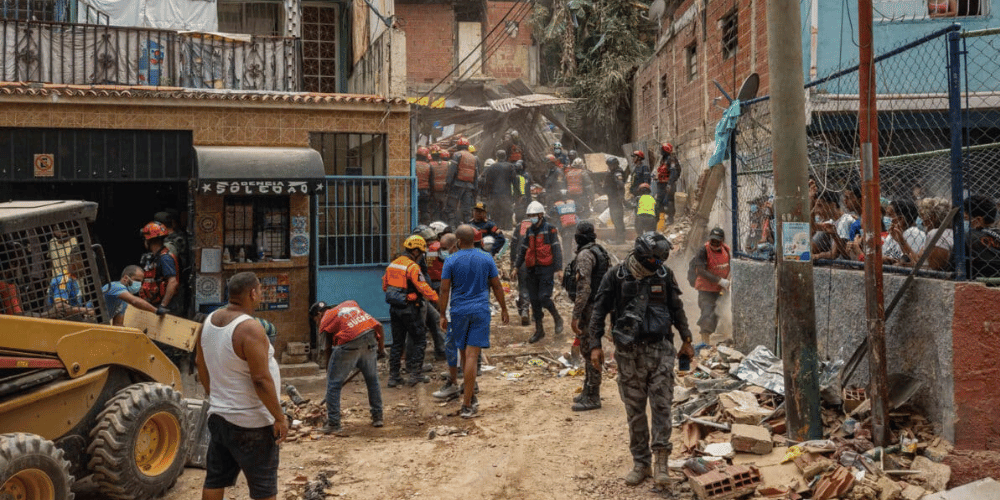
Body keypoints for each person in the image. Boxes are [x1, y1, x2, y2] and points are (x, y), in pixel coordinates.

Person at [588, 232, 694, 489]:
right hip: (628, 354)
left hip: (660, 351)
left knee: (662, 408)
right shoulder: (616, 276)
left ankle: (661, 464)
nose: (660, 264)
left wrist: (687, 339)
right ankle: (641, 462)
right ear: (643, 255)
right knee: (635, 412)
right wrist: (594, 346)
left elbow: (676, 308)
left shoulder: (664, 275)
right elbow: (598, 311)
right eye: (656, 259)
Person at [195, 272, 286, 500]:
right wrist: (279, 417)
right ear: (252, 293)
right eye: (261, 290)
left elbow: (200, 363)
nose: (261, 295)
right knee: (264, 488)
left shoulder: (208, 321)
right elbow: (260, 379)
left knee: (215, 479)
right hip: (251, 423)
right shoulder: (250, 328)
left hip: (219, 417)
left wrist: (214, 395)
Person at [433, 225, 509, 417]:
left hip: (458, 312)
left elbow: (444, 290)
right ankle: (467, 403)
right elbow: (497, 285)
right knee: (473, 356)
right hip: (480, 311)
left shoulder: (450, 260)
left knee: (464, 355)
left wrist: (442, 314)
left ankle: (468, 398)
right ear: (475, 240)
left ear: (458, 241)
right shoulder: (486, 258)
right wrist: (504, 308)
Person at [310, 300, 385, 433]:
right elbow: (379, 326)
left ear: (319, 314)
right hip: (370, 338)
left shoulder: (325, 319)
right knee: (372, 379)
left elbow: (328, 348)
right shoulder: (351, 304)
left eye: (315, 320)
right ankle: (378, 417)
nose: (317, 323)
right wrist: (381, 349)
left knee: (334, 384)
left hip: (350, 342)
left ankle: (333, 423)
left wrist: (330, 374)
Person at [382, 235, 439, 387]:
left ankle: (394, 377)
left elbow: (385, 286)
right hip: (410, 309)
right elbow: (423, 287)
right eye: (421, 252)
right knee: (420, 340)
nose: (422, 256)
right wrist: (438, 299)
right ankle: (415, 375)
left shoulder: (393, 264)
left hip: (395, 309)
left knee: (397, 343)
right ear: (415, 251)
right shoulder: (413, 267)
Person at [566, 222, 610, 412]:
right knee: (588, 348)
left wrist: (576, 315)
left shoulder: (585, 255)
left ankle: (593, 396)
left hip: (590, 308)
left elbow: (584, 288)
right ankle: (588, 390)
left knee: (591, 348)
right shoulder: (599, 251)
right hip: (597, 305)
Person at [514, 201, 564, 344]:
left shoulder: (550, 229)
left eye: (534, 215)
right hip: (532, 270)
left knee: (544, 297)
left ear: (541, 215)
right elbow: (523, 250)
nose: (532, 218)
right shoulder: (529, 231)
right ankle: (539, 331)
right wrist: (516, 267)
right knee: (534, 301)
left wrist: (559, 269)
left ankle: (557, 318)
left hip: (546, 269)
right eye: (530, 216)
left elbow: (556, 250)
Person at [692, 228, 731, 346]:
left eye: (717, 242)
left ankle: (724, 337)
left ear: (722, 241)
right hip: (706, 289)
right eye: (712, 241)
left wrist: (728, 280)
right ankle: (705, 343)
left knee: (719, 312)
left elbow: (730, 265)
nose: (714, 244)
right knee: (707, 313)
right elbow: (701, 271)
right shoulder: (703, 250)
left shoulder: (726, 250)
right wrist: (719, 281)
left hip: (721, 289)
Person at [138, 221, 180, 315]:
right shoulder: (154, 257)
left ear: (149, 241)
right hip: (154, 303)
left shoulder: (165, 258)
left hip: (165, 307)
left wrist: (163, 305)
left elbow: (173, 282)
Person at [905, 197, 953, 271]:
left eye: (922, 216)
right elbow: (921, 261)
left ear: (932, 217)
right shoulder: (950, 232)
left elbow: (935, 268)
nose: (921, 221)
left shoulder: (935, 234)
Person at [964, 194, 1000, 279]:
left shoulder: (968, 238)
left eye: (965, 218)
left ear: (978, 220)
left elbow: (953, 267)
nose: (964, 222)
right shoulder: (997, 233)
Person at [446, 138, 479, 227]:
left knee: (451, 208)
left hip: (457, 185)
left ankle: (452, 228)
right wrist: (475, 188)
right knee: (466, 210)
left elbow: (451, 171)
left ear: (458, 146)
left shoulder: (457, 154)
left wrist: (448, 183)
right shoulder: (473, 158)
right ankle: (467, 229)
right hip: (469, 186)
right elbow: (476, 175)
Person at [481, 150, 518, 230]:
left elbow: (488, 182)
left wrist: (486, 195)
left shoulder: (492, 167)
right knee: (507, 213)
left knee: (495, 215)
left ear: (496, 157)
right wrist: (517, 195)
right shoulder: (510, 166)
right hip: (506, 195)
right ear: (505, 156)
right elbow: (514, 181)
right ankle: (508, 229)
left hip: (494, 196)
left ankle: (496, 230)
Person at [883, 199, 926, 266]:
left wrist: (901, 241)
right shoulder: (892, 234)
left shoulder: (915, 234)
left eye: (889, 215)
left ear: (900, 219)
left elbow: (914, 261)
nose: (886, 218)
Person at [509, 215, 533, 326]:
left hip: (522, 261)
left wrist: (513, 264)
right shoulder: (542, 227)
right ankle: (537, 313)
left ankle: (524, 311)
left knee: (523, 286)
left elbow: (513, 246)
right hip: (538, 262)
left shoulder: (520, 226)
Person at [603, 156, 627, 243]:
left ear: (615, 165)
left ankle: (620, 239)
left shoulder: (617, 173)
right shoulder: (612, 172)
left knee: (617, 218)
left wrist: (620, 197)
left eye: (610, 165)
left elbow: (620, 184)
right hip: (613, 199)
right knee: (614, 218)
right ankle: (619, 237)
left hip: (616, 199)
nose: (609, 167)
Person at [554, 200, 578, 265]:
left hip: (564, 229)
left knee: (566, 245)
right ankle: (576, 258)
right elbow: (581, 209)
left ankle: (567, 260)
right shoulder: (572, 205)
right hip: (573, 227)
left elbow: (551, 216)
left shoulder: (557, 206)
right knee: (575, 242)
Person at [415, 146, 434, 224]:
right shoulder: (429, 166)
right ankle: (425, 226)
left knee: (414, 210)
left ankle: (414, 225)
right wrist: (431, 193)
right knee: (424, 211)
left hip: (414, 191)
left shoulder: (413, 164)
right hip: (425, 191)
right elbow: (431, 181)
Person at [430, 147, 451, 222]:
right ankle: (444, 223)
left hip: (434, 191)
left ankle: (435, 223)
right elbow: (450, 176)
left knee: (435, 209)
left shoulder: (430, 165)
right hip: (444, 190)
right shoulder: (447, 164)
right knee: (444, 209)